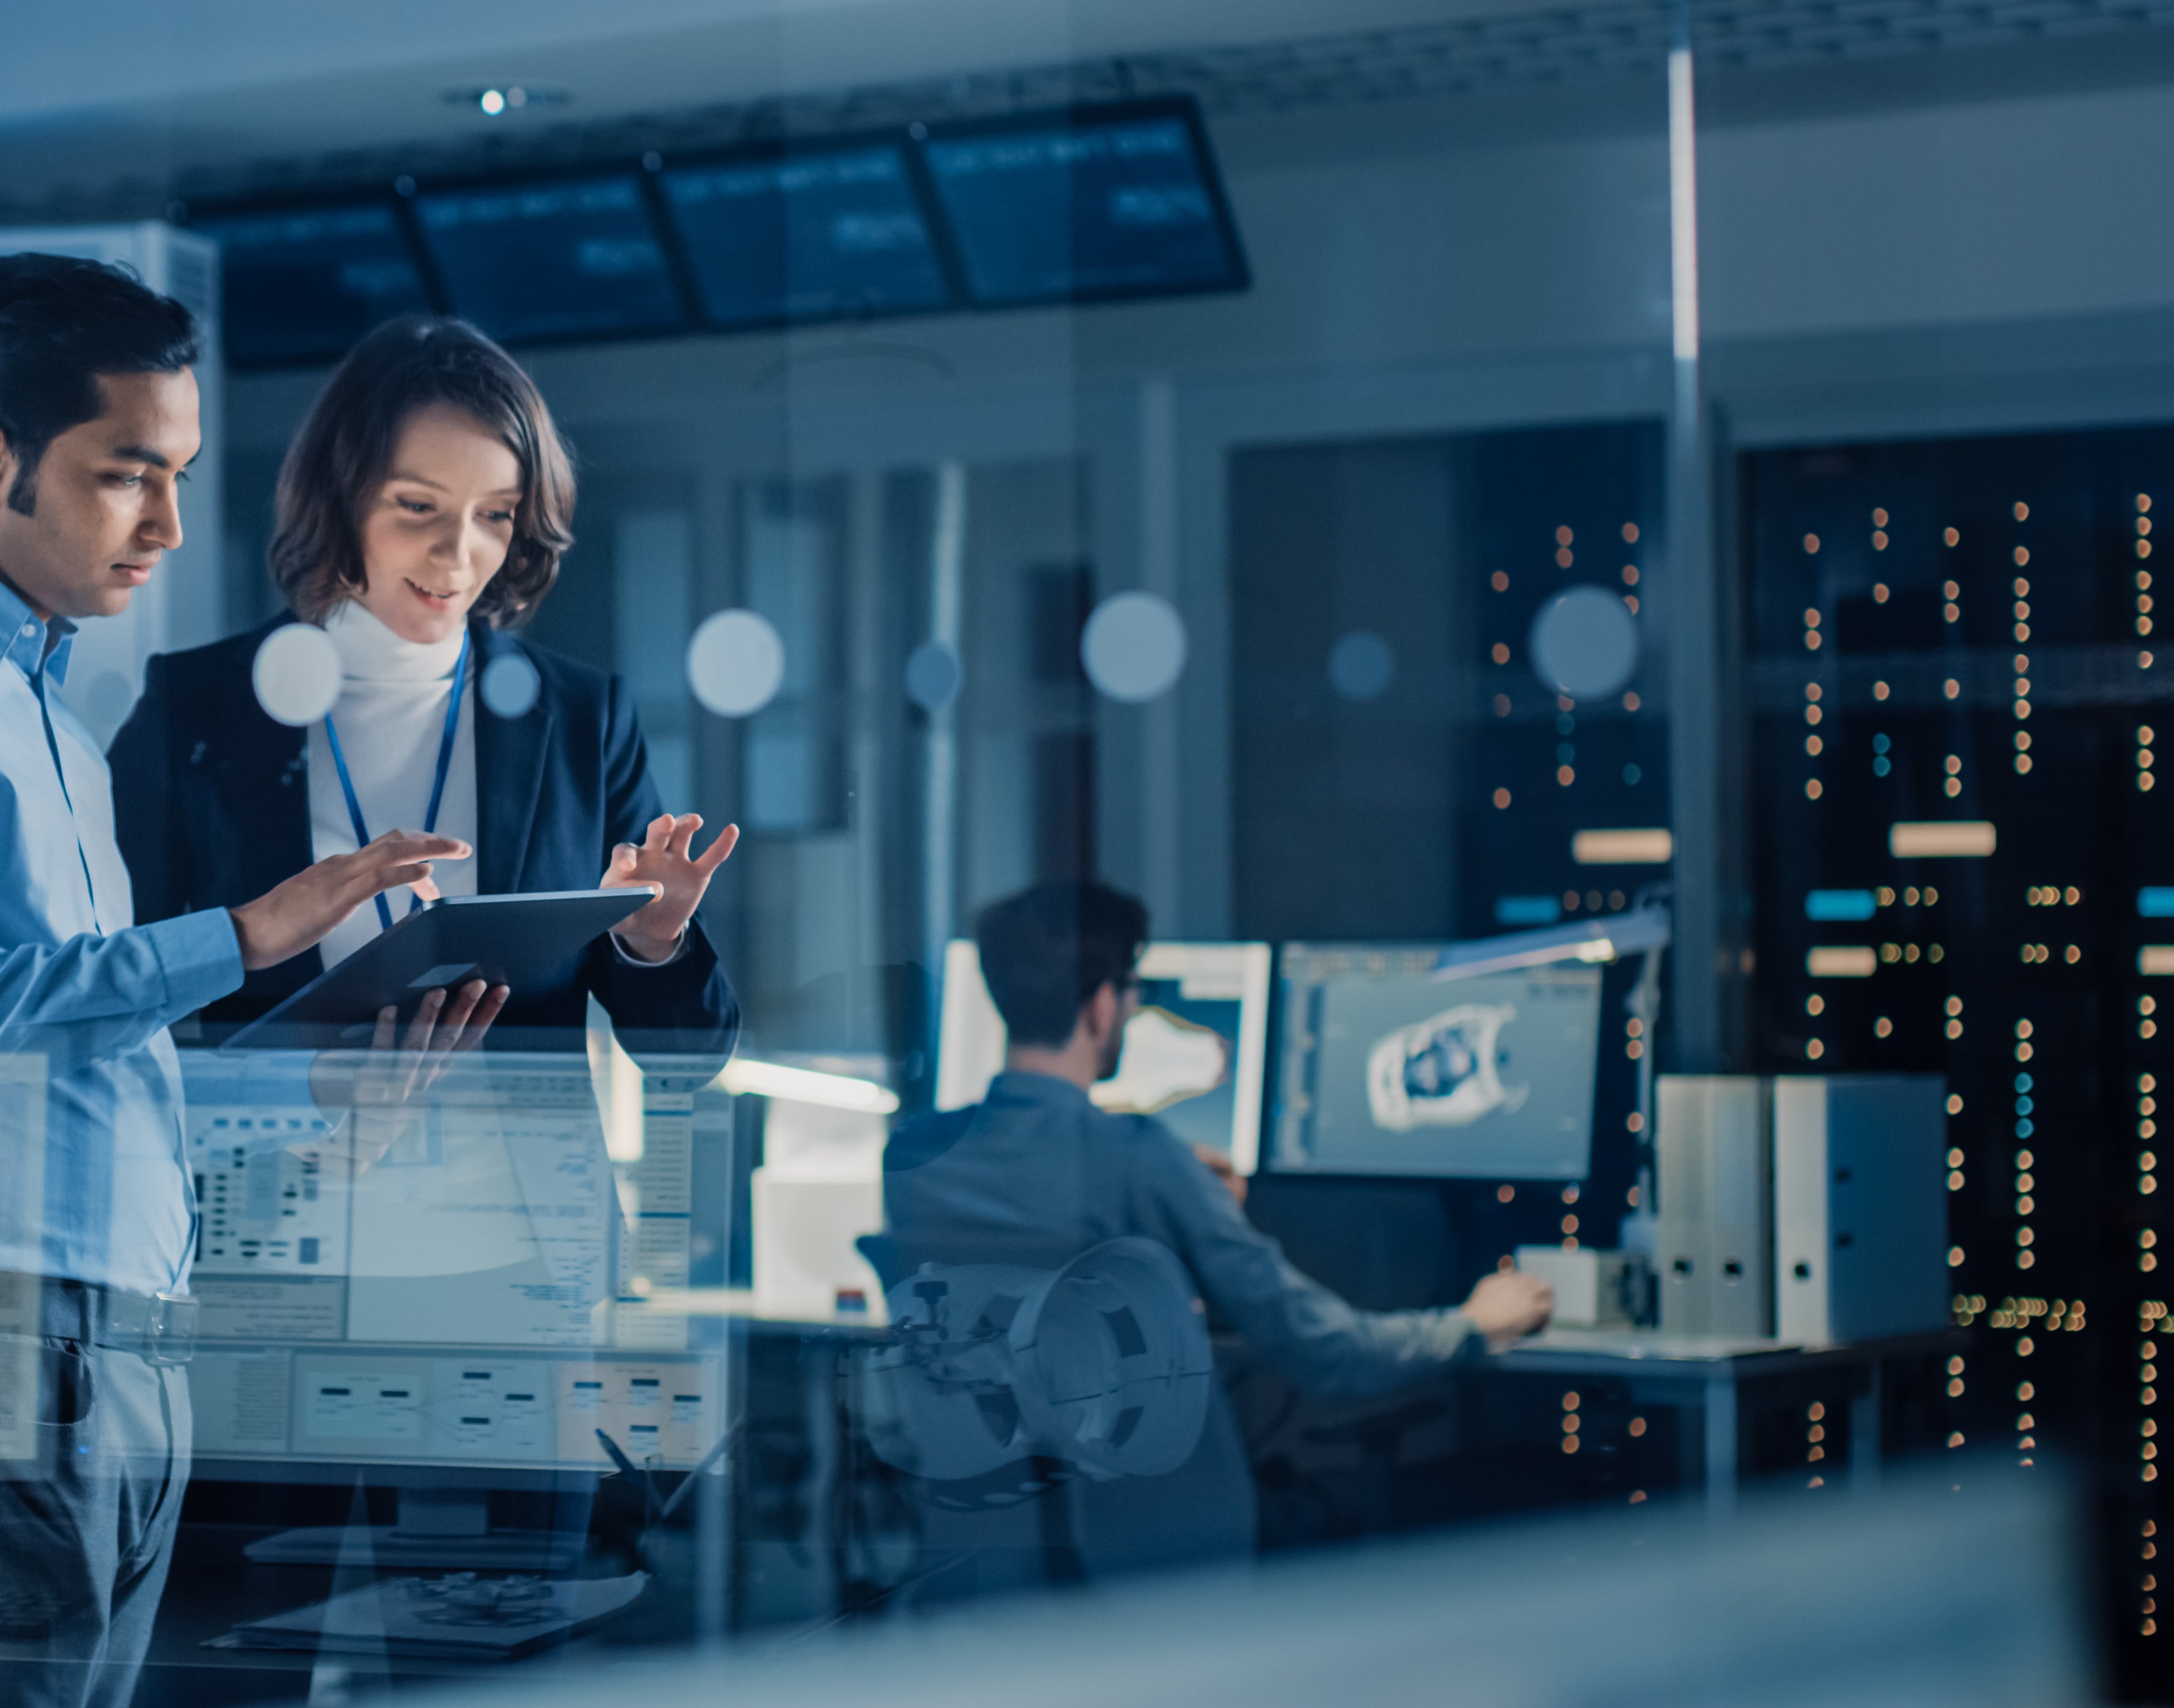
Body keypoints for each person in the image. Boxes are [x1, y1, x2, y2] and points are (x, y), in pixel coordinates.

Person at [0, 255, 499, 1708]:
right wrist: (253, 931)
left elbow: (74, 1062)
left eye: (180, 474)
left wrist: (310, 1115)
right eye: (125, 475)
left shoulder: (47, 714)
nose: (165, 523)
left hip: (113, 1360)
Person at [878, 880, 1553, 1583]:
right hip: (1155, 1563)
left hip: (988, 1553)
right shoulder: (1137, 1159)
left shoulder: (913, 1162)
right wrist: (1473, 1323)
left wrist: (1178, 1202)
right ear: (1105, 1004)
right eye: (1133, 990)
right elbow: (1324, 1350)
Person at [110, 315, 738, 1055]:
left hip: (519, 1170)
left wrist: (654, 940)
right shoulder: (196, 708)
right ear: (342, 497)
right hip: (279, 1166)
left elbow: (686, 1059)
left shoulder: (581, 720)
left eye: (495, 515)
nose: (458, 554)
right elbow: (112, 996)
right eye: (417, 506)